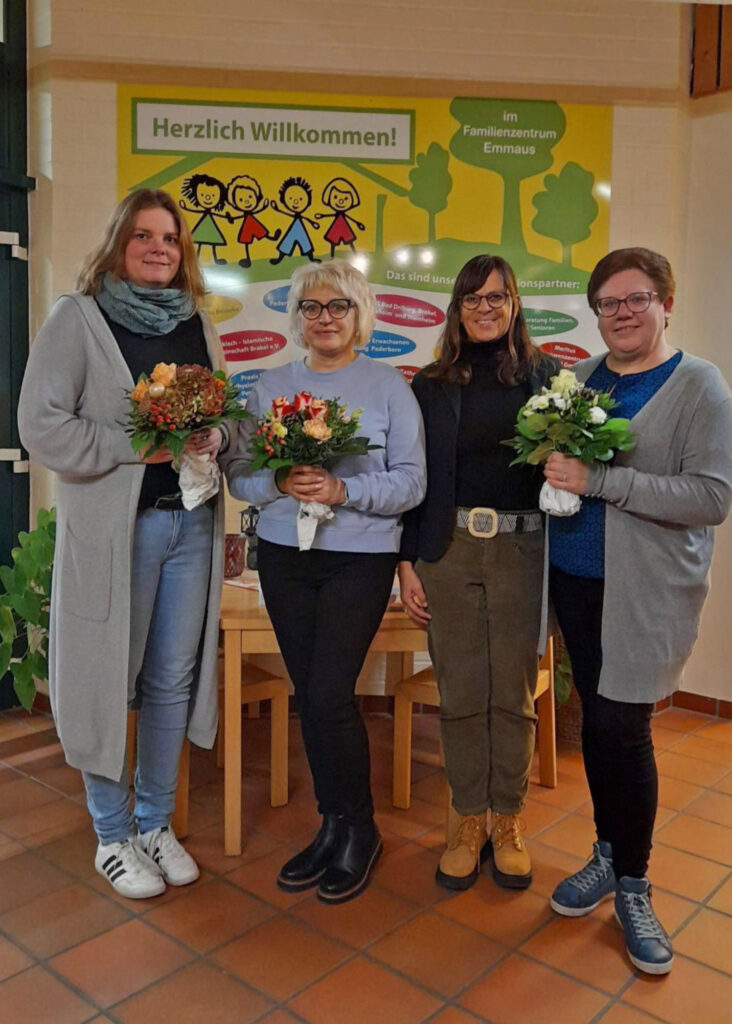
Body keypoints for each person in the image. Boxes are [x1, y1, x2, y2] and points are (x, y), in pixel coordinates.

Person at [18, 189, 230, 899]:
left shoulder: (197, 323)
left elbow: (226, 418)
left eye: (170, 238)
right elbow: (42, 426)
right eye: (143, 235)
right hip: (118, 536)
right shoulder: (78, 319)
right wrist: (140, 445)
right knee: (107, 678)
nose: (158, 248)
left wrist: (218, 436)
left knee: (170, 680)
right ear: (118, 244)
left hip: (191, 526)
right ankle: (110, 835)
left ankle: (153, 822)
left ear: (183, 252)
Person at [544, 247, 732, 975]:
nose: (620, 313)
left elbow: (711, 499)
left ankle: (633, 883)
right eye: (608, 303)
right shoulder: (581, 380)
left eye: (636, 298)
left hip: (645, 591)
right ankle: (606, 850)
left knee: (625, 728)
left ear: (665, 303)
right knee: (598, 720)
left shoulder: (700, 387)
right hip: (576, 582)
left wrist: (602, 481)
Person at [226, 259, 425, 904]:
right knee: (310, 695)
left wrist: (344, 488)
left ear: (359, 312)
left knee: (332, 692)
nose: (325, 317)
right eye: (312, 307)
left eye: (337, 305)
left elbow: (411, 483)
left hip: (358, 558)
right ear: (298, 319)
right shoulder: (270, 386)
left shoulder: (390, 385)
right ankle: (331, 823)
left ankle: (359, 829)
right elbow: (243, 480)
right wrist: (279, 481)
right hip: (286, 555)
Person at [398, 255, 559, 892]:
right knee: (462, 689)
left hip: (523, 550)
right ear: (457, 307)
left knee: (512, 694)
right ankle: (467, 820)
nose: (485, 308)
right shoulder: (432, 384)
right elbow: (414, 480)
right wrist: (406, 561)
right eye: (473, 298)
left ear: (515, 303)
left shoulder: (549, 379)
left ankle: (509, 820)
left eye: (497, 297)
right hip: (450, 549)